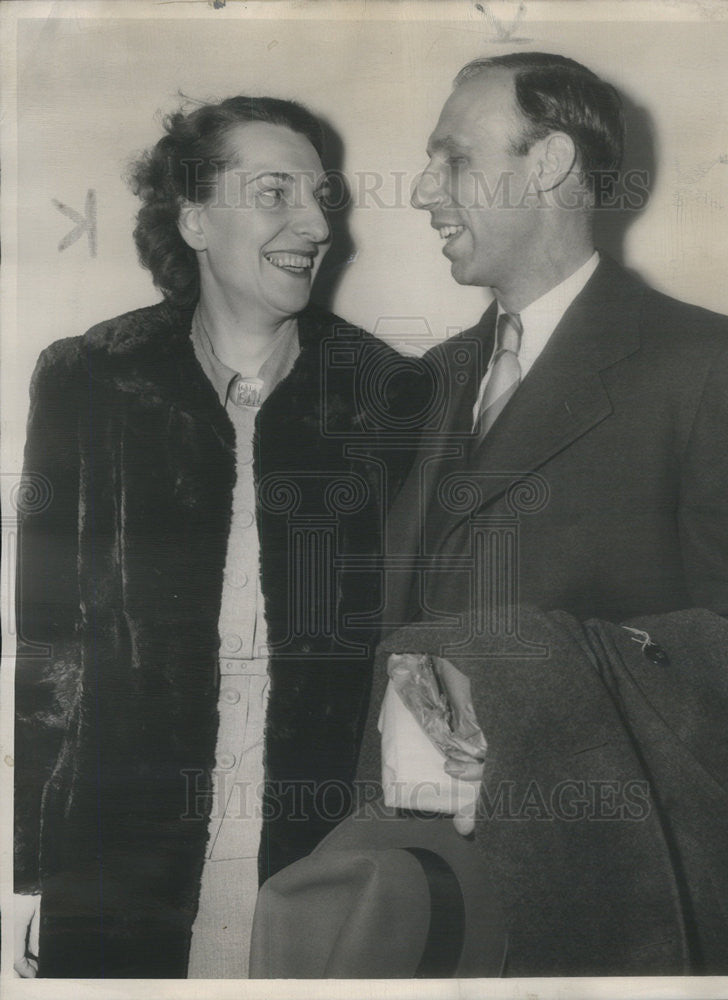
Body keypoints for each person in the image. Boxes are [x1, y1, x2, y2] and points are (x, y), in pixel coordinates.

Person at [358, 52, 728, 976]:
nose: (424, 189)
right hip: (424, 892)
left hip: (603, 896)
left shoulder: (709, 364)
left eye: (454, 160)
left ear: (547, 164)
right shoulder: (429, 384)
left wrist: (522, 689)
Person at [14, 95, 416, 979]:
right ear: (195, 218)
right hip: (125, 855)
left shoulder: (388, 395)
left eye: (322, 197)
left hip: (321, 849)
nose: (314, 223)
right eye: (276, 193)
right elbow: (49, 644)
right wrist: (38, 874)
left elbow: (405, 639)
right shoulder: (89, 378)